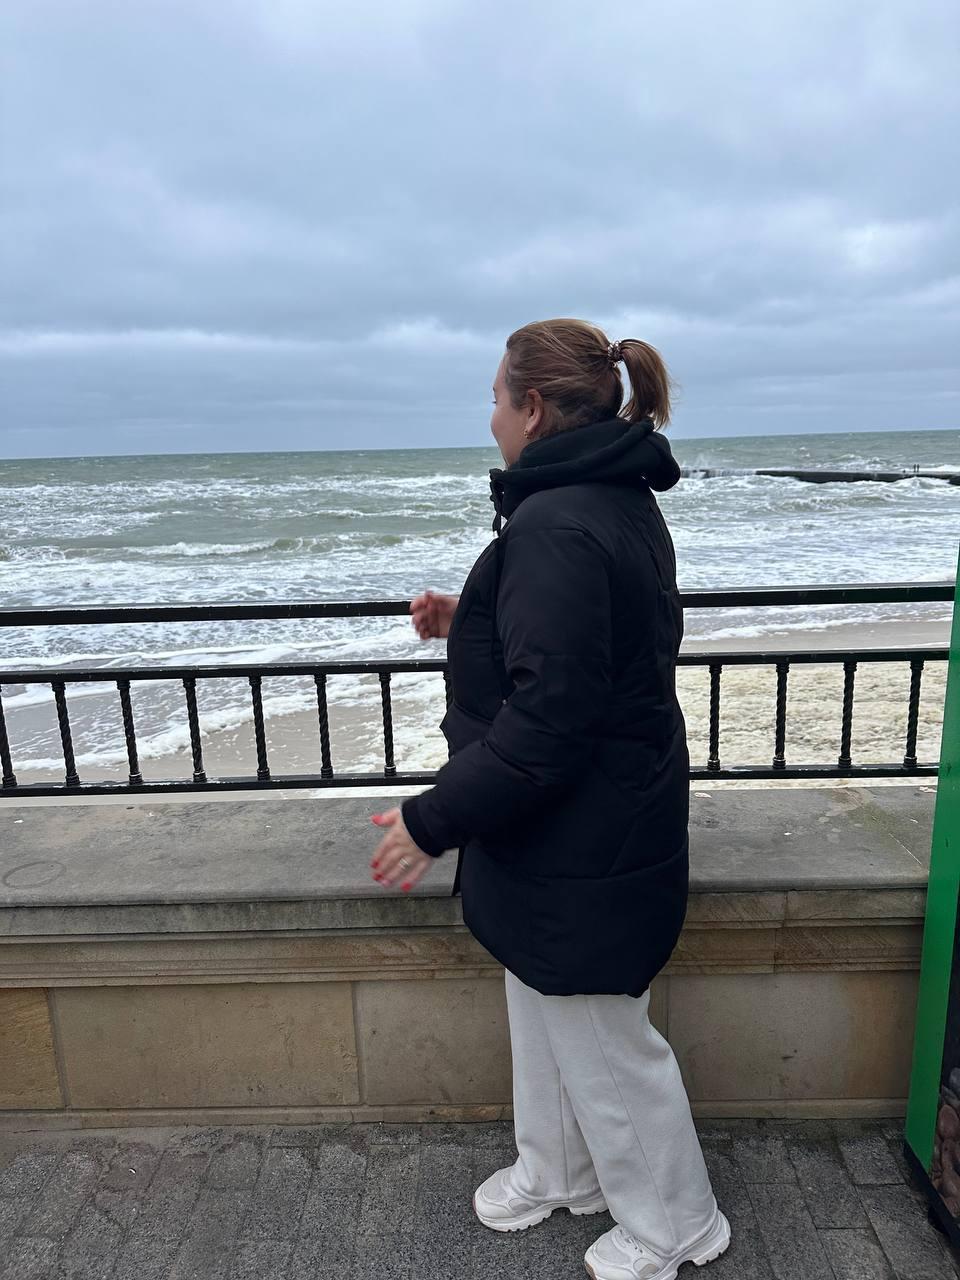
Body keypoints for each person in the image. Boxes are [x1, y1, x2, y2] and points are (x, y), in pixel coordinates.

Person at [369, 318, 731, 1280]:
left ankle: (678, 1224)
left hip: (586, 831)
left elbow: (550, 722)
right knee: (541, 999)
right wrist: (474, 617)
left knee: (604, 1039)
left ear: (532, 408)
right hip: (579, 824)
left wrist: (428, 820)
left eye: (496, 397)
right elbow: (589, 639)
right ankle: (561, 1172)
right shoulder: (599, 498)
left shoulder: (559, 522)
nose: (489, 415)